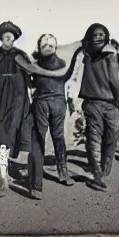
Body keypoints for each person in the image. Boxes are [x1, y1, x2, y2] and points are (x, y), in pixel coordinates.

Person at [0, 21, 70, 198]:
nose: (8, 37)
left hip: (18, 99)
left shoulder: (21, 56)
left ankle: (13, 174)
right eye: (5, 35)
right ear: (0, 38)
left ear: (14, 38)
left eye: (11, 35)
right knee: (0, 133)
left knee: (16, 133)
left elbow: (31, 78)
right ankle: (2, 177)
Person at [30, 34, 80, 189]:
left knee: (58, 138)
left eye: (51, 44)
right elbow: (31, 83)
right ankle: (36, 181)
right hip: (41, 104)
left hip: (58, 104)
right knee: (38, 139)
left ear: (56, 47)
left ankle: (63, 172)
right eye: (44, 44)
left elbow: (67, 77)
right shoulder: (34, 65)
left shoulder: (62, 64)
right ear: (39, 47)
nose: (48, 46)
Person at [77, 23, 119, 192]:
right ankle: (98, 174)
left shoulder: (101, 55)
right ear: (90, 37)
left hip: (107, 104)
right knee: (100, 137)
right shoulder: (88, 54)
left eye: (102, 35)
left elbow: (115, 81)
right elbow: (115, 82)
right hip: (97, 103)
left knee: (103, 137)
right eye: (95, 35)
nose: (99, 37)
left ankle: (100, 171)